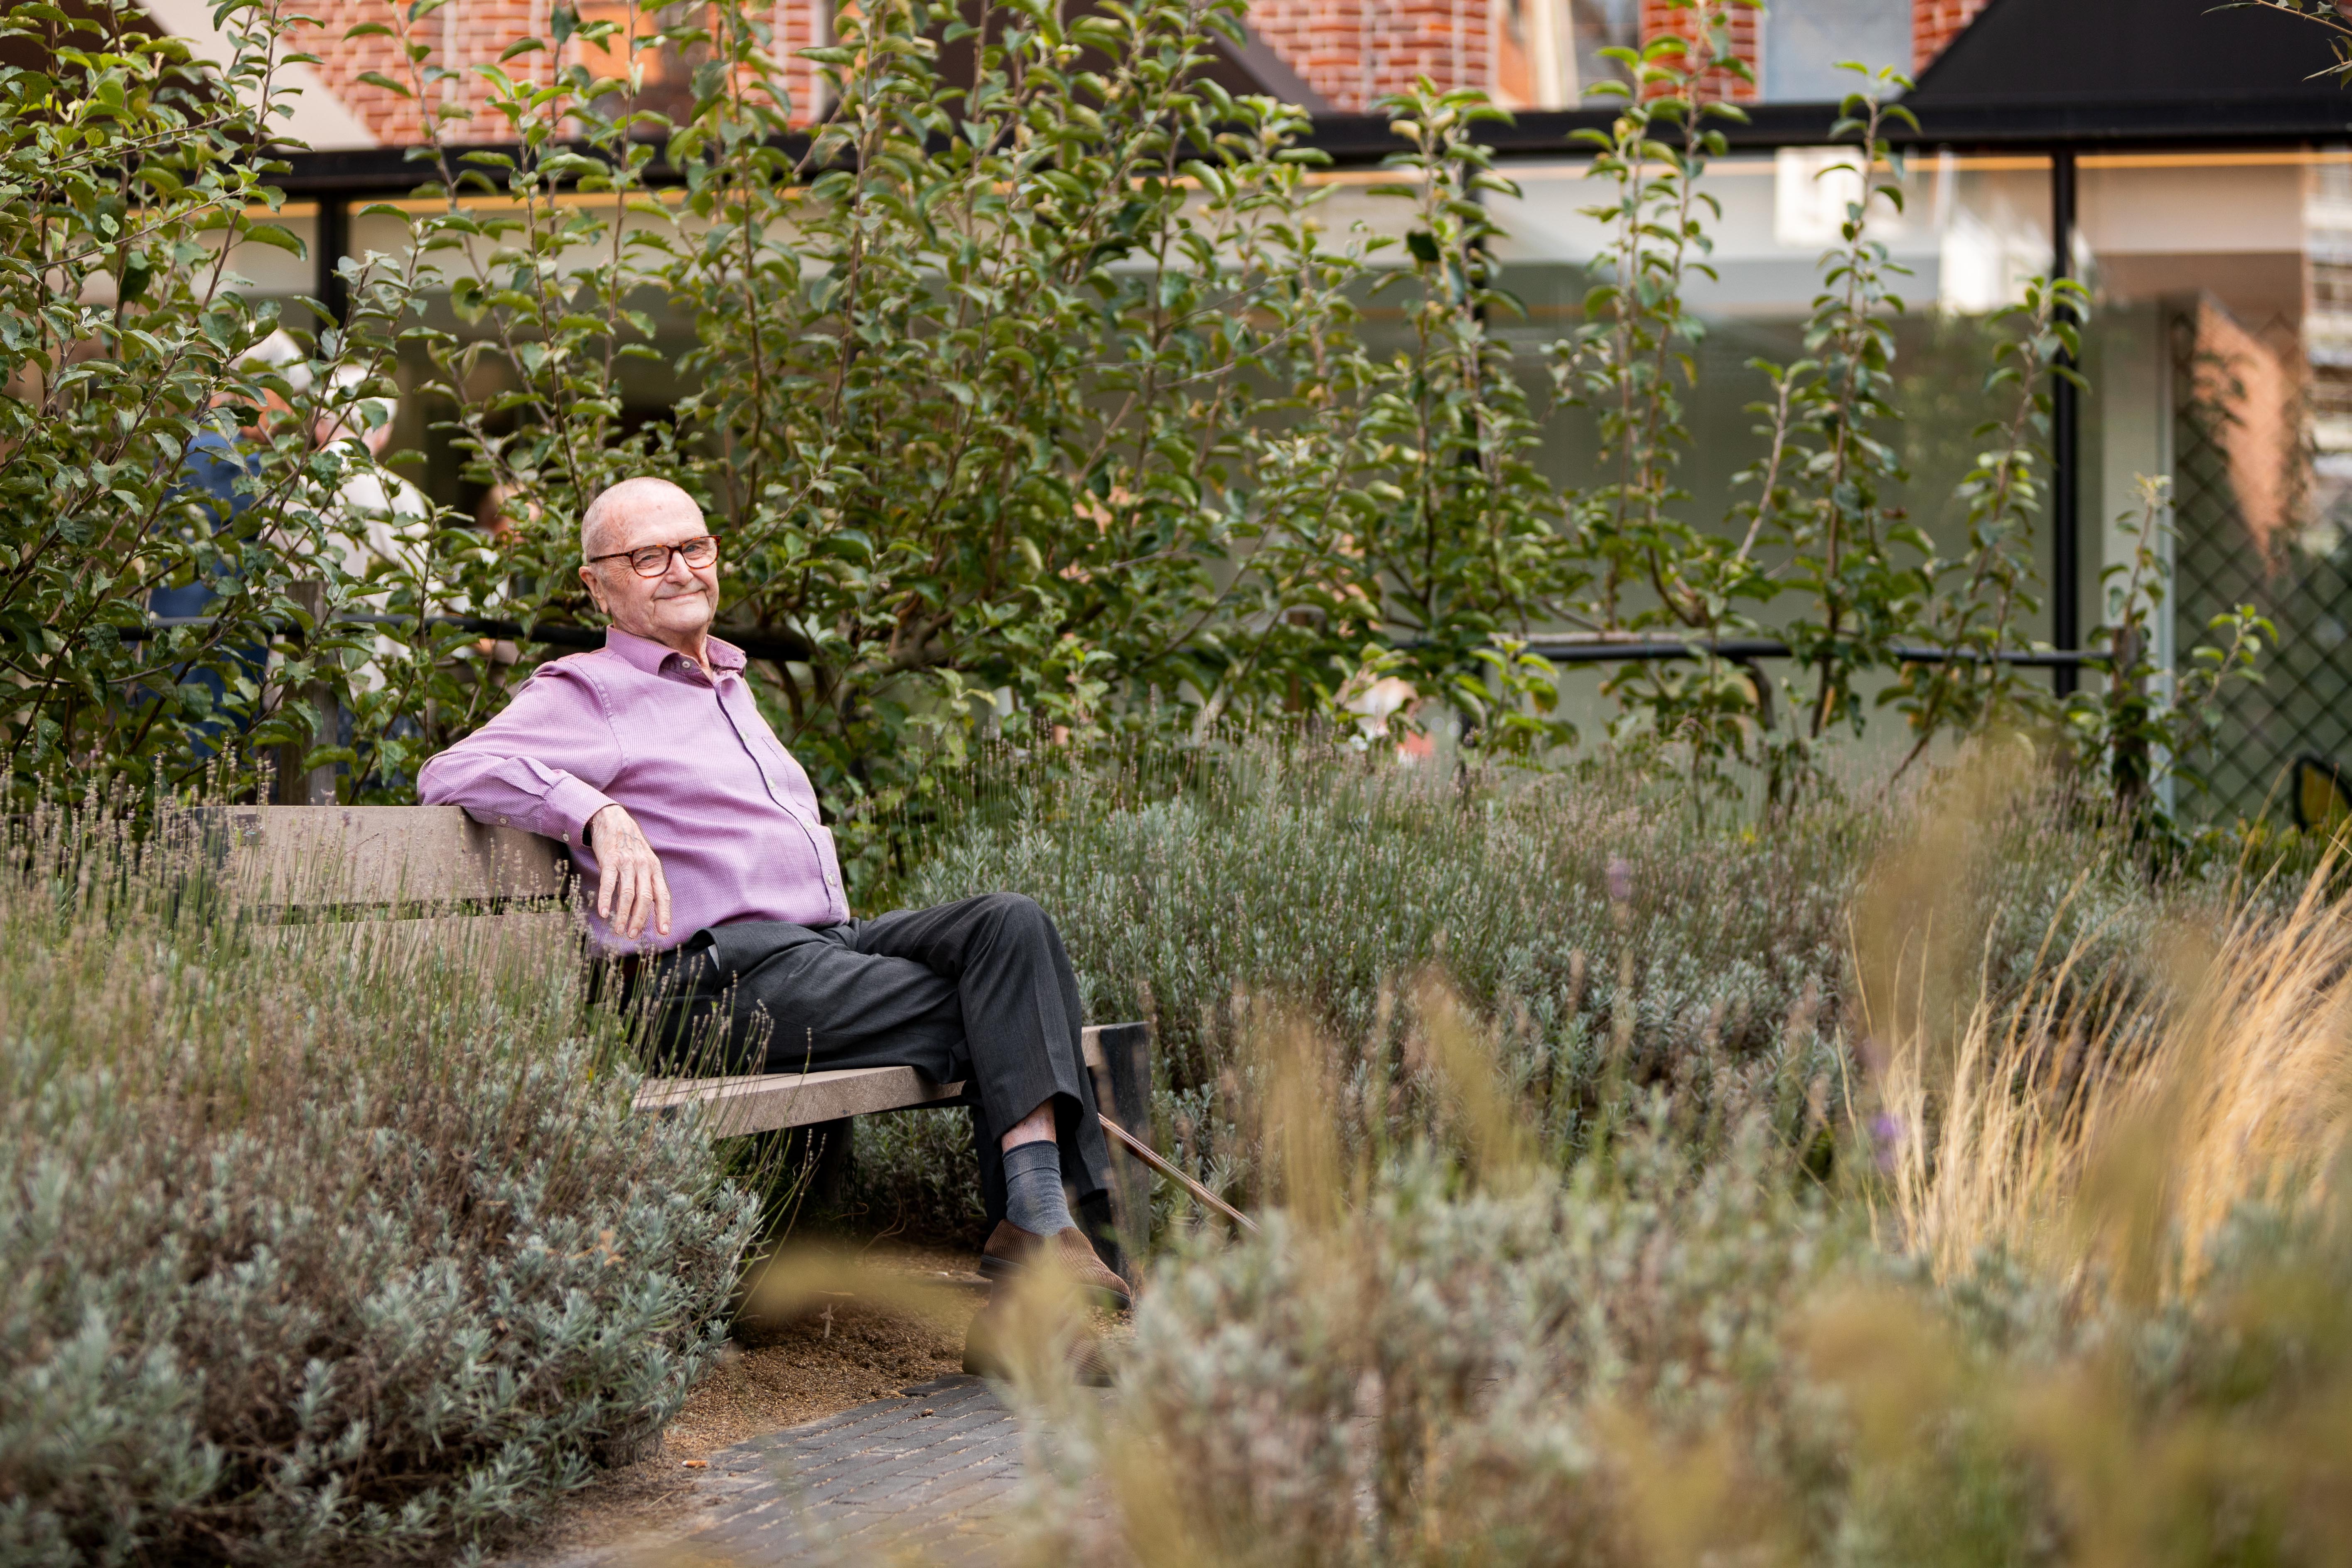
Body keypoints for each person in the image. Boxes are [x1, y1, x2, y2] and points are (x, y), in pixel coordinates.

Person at [416, 476, 1130, 1323]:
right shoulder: (590, 690)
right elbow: (449, 771)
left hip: (809, 956)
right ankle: (1047, 1251)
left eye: (694, 547)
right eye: (648, 556)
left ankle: (1036, 1234)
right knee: (1015, 1013)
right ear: (597, 584)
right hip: (705, 987)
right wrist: (594, 809)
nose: (680, 568)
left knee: (1010, 927)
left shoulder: (726, 682)